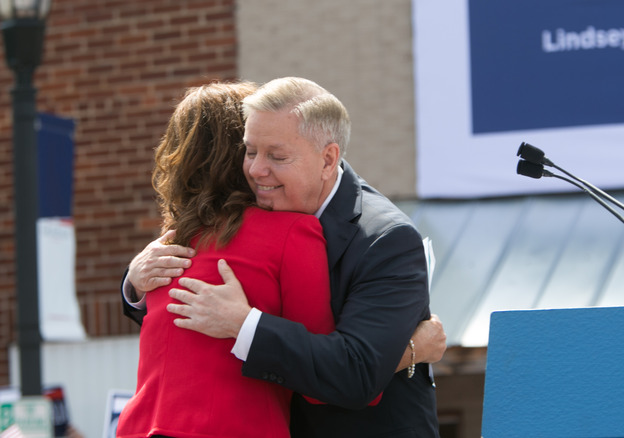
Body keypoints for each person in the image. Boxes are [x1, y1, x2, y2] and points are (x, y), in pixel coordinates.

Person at [123, 77, 445, 437]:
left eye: (276, 157)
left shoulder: (386, 238)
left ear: (328, 159)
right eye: (248, 151)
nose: (256, 170)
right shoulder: (258, 212)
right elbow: (194, 323)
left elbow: (357, 374)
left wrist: (243, 323)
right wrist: (134, 284)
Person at [116, 82, 335, 438]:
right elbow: (321, 378)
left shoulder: (169, 244)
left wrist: (131, 285)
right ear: (242, 150)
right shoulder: (293, 232)